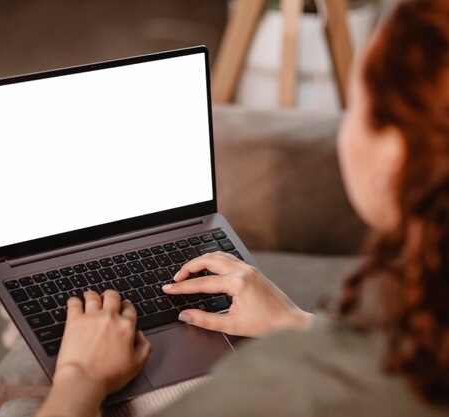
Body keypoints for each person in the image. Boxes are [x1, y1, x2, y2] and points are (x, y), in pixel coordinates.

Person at [35, 1, 449, 415]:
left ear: (394, 156)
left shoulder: (281, 387)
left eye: (355, 106)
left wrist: (80, 378)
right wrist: (297, 323)